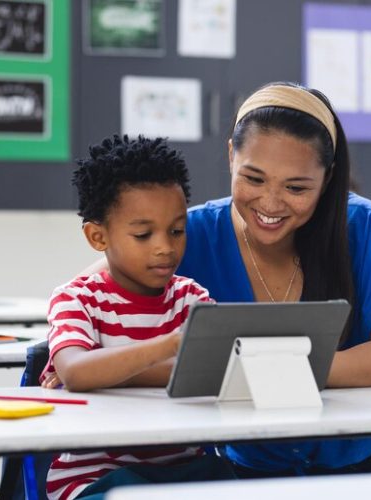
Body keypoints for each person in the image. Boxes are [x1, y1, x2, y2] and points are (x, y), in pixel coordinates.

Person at [176, 82, 371, 476]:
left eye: (296, 187)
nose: (271, 203)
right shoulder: (191, 234)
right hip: (250, 466)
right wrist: (71, 349)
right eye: (254, 179)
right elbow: (92, 287)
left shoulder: (361, 225)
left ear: (327, 179)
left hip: (369, 459)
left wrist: (281, 372)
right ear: (231, 156)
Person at [40, 135, 234, 500]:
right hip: (95, 478)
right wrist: (173, 347)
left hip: (182, 474)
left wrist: (113, 372)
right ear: (98, 236)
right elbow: (78, 372)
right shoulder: (77, 299)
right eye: (143, 234)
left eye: (177, 230)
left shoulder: (192, 297)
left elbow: (217, 372)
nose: (165, 246)